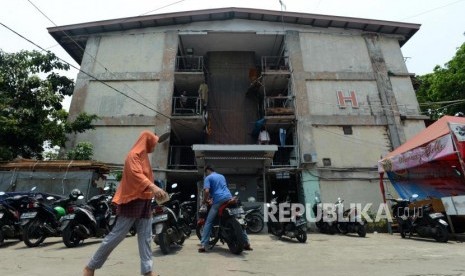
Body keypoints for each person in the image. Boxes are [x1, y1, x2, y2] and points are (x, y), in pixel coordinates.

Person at [83, 131, 167, 276]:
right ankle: (90, 267)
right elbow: (136, 175)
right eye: (154, 143)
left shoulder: (144, 157)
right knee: (117, 235)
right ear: (147, 142)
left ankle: (147, 271)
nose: (155, 146)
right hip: (132, 200)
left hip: (145, 200)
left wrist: (153, 190)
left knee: (146, 237)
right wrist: (153, 187)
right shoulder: (133, 155)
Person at [198, 165, 252, 253]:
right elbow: (221, 189)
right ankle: (246, 243)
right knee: (238, 219)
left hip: (219, 201)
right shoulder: (221, 176)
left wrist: (204, 201)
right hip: (229, 198)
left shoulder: (208, 178)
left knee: (209, 221)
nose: (205, 174)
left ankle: (204, 244)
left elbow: (207, 191)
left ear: (207, 171)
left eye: (205, 172)